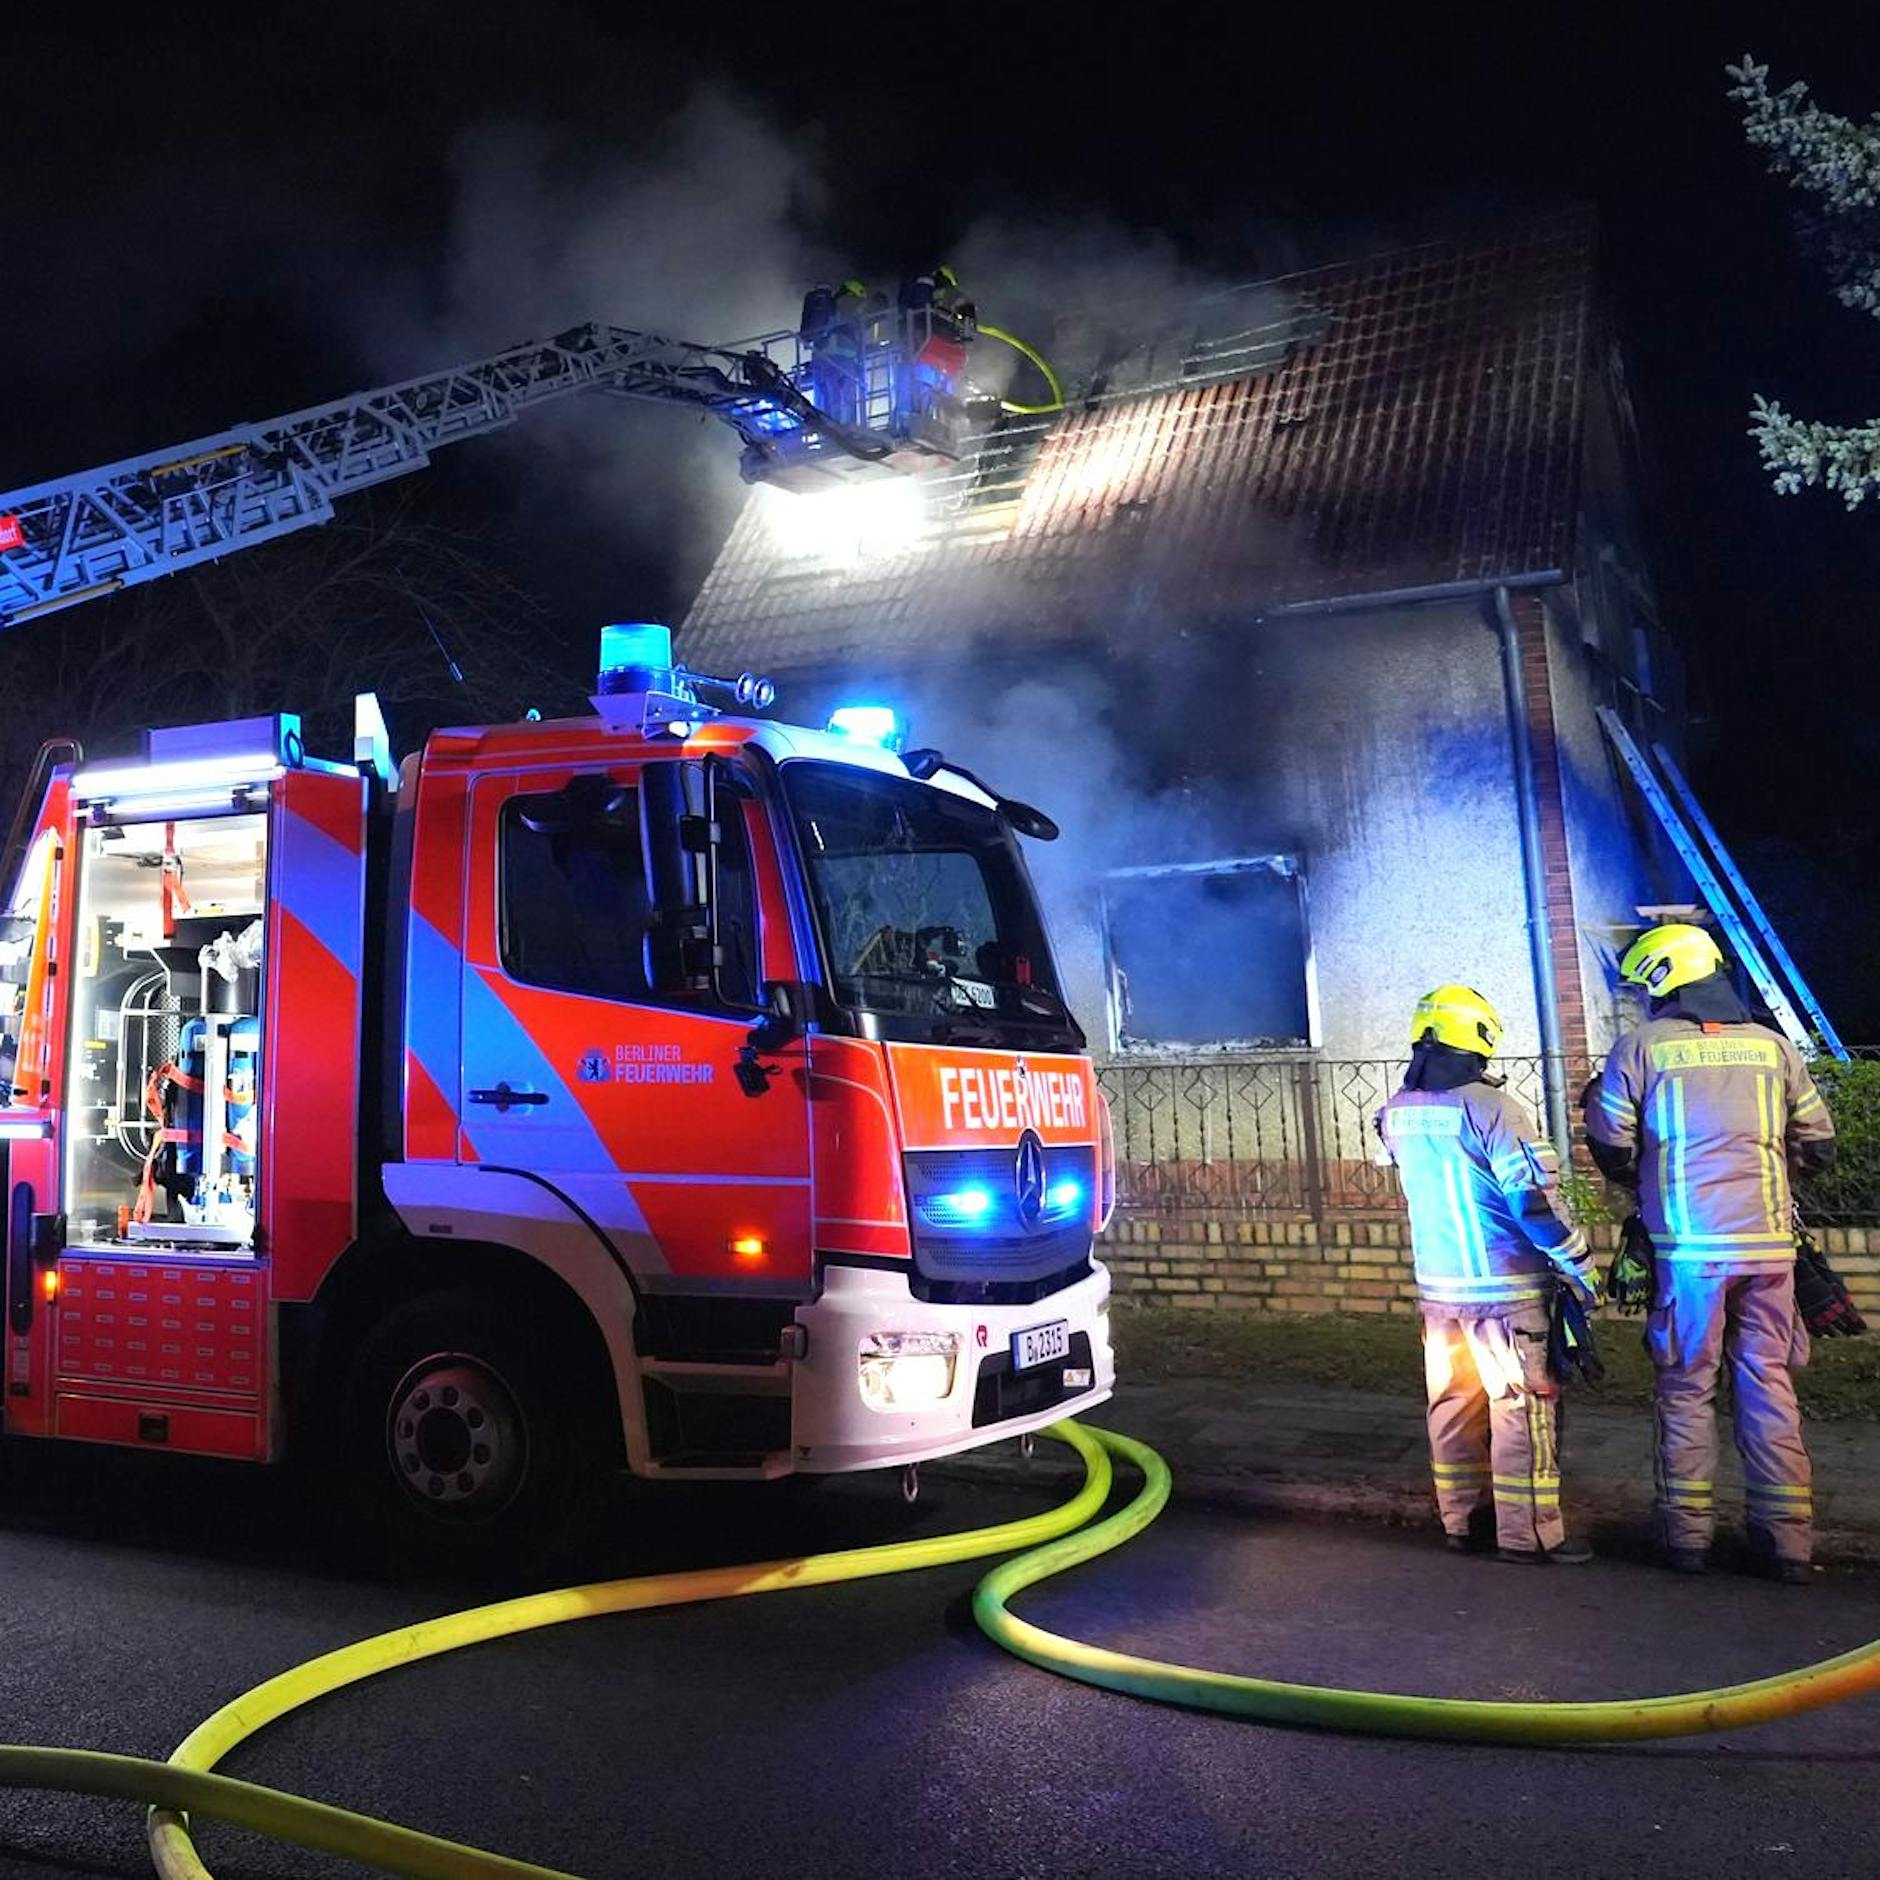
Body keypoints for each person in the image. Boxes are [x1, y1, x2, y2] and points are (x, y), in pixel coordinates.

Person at [1583, 923, 1836, 1583]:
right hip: (1770, 1252)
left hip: (1689, 1252)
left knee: (1687, 1387)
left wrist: (1649, 1180)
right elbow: (1820, 1142)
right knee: (1769, 1386)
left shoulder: (1640, 1049)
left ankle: (1687, 1539)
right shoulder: (1774, 1050)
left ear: (1664, 977)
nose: (1644, 999)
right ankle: (1787, 1544)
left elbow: (1611, 1143)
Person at [1377, 985, 1603, 1564]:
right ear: (1480, 1037)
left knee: (1451, 1407)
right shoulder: (1494, 1109)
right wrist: (1580, 1266)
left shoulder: (1396, 1112)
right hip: (1507, 1295)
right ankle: (1527, 1537)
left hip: (1440, 1294)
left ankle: (1462, 1523)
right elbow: (1534, 1202)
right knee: (1520, 1412)